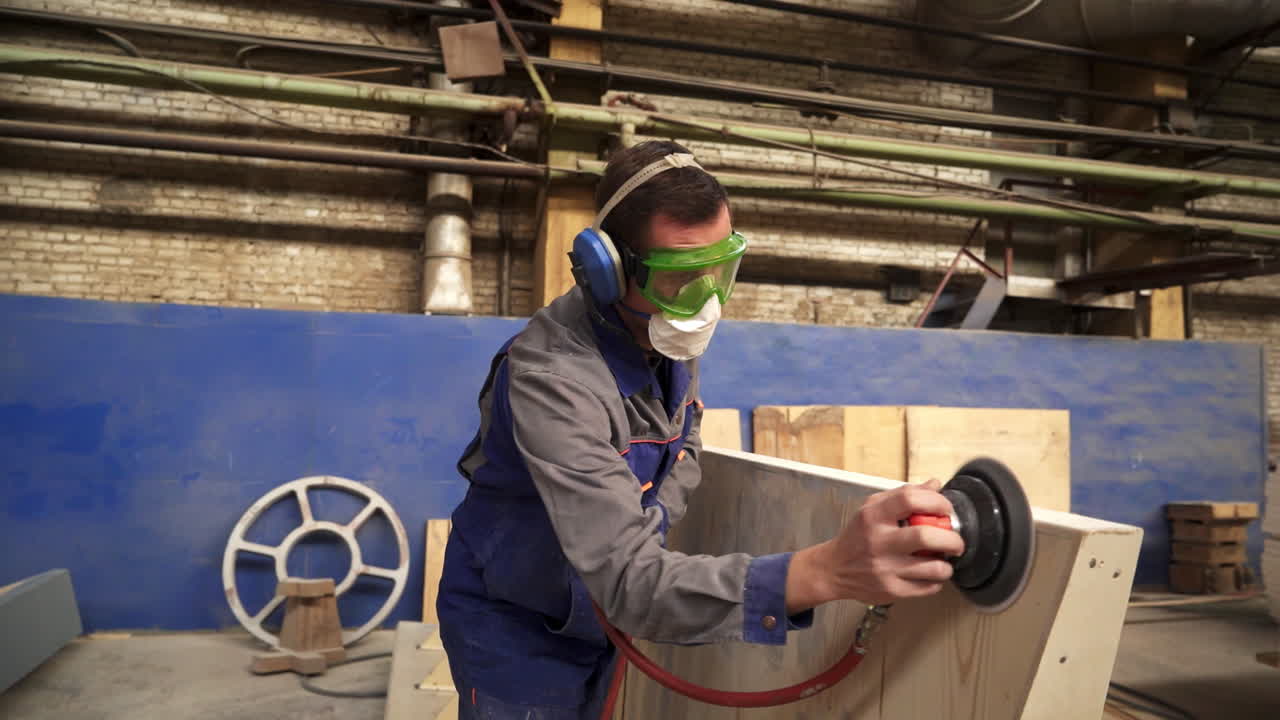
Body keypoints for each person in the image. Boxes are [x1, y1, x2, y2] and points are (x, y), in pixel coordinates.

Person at [436, 140, 964, 719]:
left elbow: (685, 442)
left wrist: (644, 526)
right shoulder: (552, 378)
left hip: (596, 607)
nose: (706, 301)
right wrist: (827, 570)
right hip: (515, 622)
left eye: (722, 270)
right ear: (607, 272)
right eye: (682, 276)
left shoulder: (666, 332)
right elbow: (632, 585)